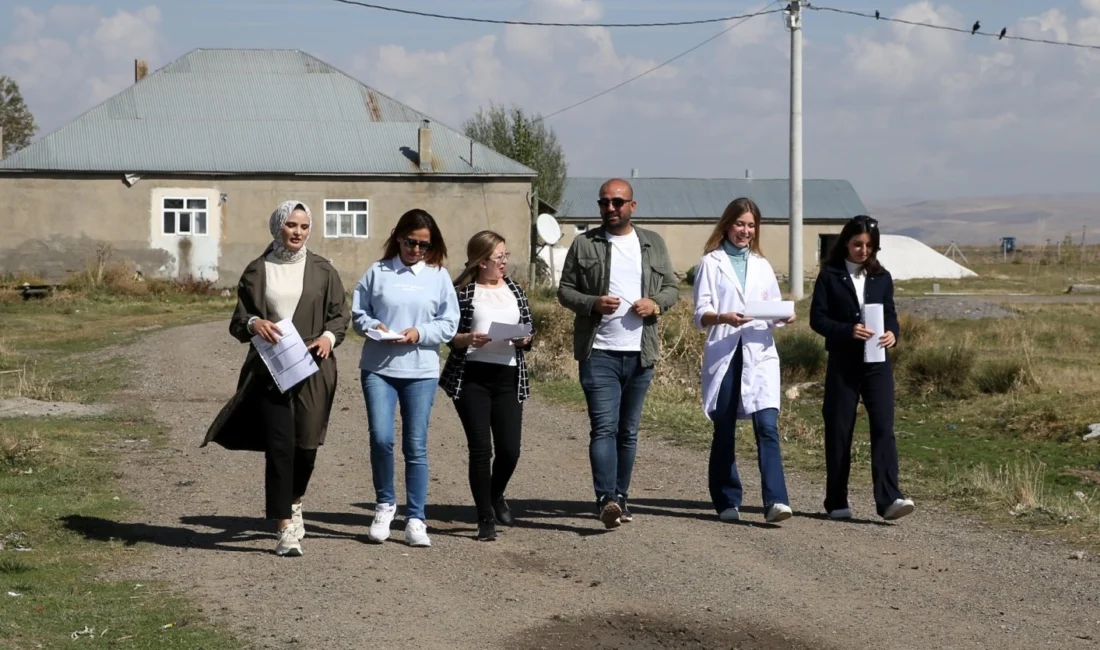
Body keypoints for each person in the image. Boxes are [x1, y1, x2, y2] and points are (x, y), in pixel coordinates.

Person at [203, 200, 350, 557]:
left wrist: (328, 339)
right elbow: (240, 320)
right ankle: (284, 526)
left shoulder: (323, 270)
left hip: (314, 366)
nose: (298, 232)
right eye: (291, 225)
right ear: (277, 227)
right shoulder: (257, 270)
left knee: (307, 445)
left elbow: (338, 316)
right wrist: (255, 323)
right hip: (271, 368)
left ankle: (295, 500)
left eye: (303, 226)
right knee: (280, 446)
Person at [557, 178, 679, 529]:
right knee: (604, 428)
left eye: (618, 202)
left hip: (640, 354)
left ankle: (621, 496)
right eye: (604, 203)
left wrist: (655, 303)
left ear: (632, 206)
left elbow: (671, 289)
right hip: (599, 352)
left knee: (628, 431)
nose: (611, 209)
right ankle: (605, 498)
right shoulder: (584, 244)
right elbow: (565, 291)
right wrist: (592, 303)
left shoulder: (652, 244)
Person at [351, 209, 459, 548]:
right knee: (381, 438)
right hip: (379, 367)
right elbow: (358, 314)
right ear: (399, 237)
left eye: (424, 245)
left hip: (421, 370)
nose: (417, 250)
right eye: (411, 242)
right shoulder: (377, 272)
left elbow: (449, 323)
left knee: (416, 445)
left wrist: (419, 332)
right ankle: (385, 504)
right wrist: (372, 326)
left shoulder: (438, 276)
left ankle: (416, 517)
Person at [693, 198, 795, 524]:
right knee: (724, 427)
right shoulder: (711, 263)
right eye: (740, 224)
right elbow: (701, 313)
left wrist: (783, 317)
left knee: (767, 425)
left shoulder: (762, 265)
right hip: (725, 350)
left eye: (751, 226)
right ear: (727, 225)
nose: (745, 231)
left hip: (759, 353)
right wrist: (722, 316)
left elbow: (773, 306)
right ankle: (726, 499)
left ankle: (776, 501)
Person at [809, 214, 916, 522]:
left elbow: (891, 314)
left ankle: (889, 499)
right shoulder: (829, 275)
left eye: (869, 245)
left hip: (878, 363)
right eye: (857, 244)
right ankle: (837, 500)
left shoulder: (882, 277)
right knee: (840, 430)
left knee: (884, 428)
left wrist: (893, 334)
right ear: (846, 242)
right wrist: (847, 330)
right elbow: (818, 320)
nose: (863, 250)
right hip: (843, 362)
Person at [439, 231, 536, 542]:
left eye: (506, 257)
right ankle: (484, 518)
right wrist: (467, 339)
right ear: (482, 262)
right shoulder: (463, 294)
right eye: (499, 258)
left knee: (510, 451)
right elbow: (449, 337)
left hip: (508, 377)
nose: (504, 263)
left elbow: (529, 329)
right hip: (472, 378)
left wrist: (525, 338)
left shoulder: (515, 290)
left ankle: (495, 495)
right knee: (482, 450)